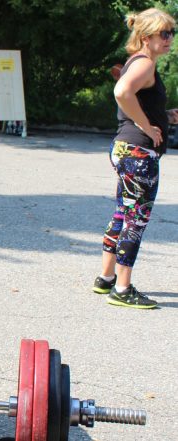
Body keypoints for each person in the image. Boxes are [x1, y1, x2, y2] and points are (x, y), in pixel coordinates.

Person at [93, 7, 178, 308]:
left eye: (172, 33)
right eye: (164, 33)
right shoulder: (145, 64)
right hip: (138, 153)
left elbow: (135, 102)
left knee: (122, 213)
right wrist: (146, 126)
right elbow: (122, 92)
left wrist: (163, 117)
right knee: (135, 219)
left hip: (125, 150)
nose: (169, 39)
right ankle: (123, 288)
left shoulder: (136, 62)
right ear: (145, 37)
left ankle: (106, 278)